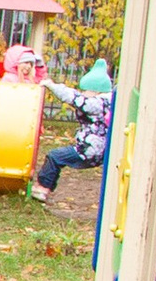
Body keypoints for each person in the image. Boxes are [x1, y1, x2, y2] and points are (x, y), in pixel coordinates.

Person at [30, 57, 112, 200]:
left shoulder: (96, 104)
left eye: (86, 90)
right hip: (99, 150)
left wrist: (52, 86)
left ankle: (42, 189)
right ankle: (44, 188)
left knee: (55, 156)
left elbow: (73, 98)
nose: (83, 93)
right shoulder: (107, 102)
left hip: (89, 149)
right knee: (58, 158)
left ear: (95, 90)